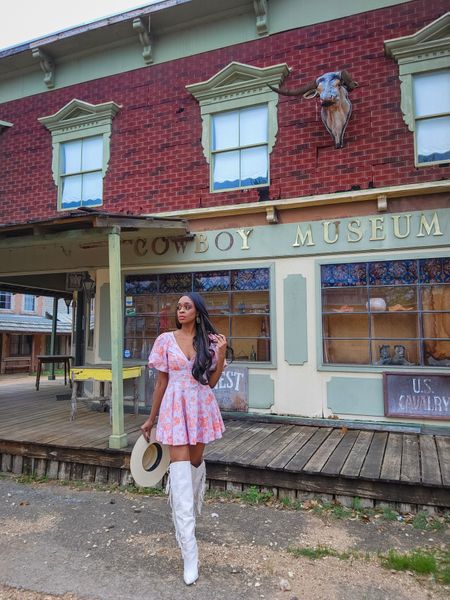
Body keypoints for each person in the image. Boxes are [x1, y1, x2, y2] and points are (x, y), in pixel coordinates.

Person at [140, 292, 227, 585]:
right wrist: (151, 419)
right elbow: (161, 382)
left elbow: (211, 382)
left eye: (187, 307)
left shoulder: (210, 343)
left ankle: (190, 503)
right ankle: (190, 552)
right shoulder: (165, 340)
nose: (181, 310)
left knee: (194, 463)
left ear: (198, 312)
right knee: (178, 473)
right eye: (178, 307)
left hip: (201, 406)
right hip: (175, 408)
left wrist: (222, 354)